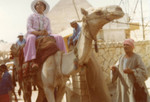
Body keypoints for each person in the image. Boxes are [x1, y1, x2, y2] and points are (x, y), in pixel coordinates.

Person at [23, 0, 66, 69]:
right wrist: (38, 33)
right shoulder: (31, 16)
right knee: (31, 38)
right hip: (34, 34)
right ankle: (32, 60)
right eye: (37, 5)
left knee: (59, 37)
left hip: (44, 34)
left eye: (41, 5)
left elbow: (49, 30)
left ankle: (63, 55)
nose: (39, 6)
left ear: (44, 7)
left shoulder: (47, 18)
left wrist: (46, 32)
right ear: (35, 7)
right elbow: (29, 28)